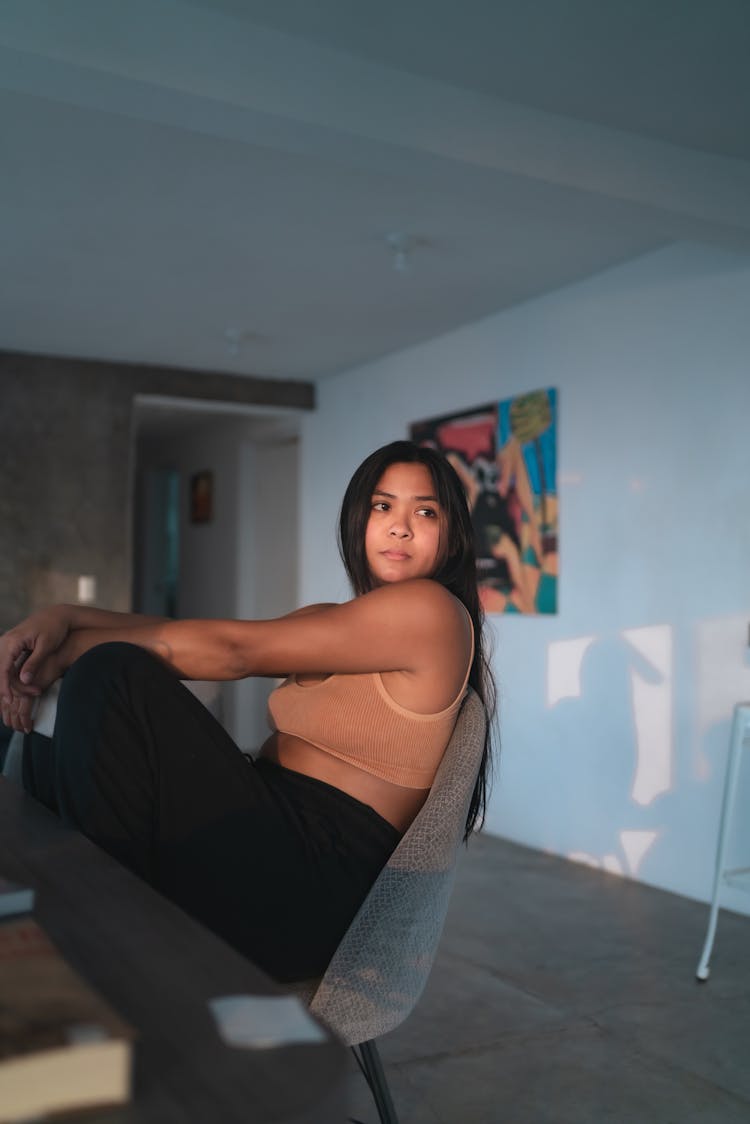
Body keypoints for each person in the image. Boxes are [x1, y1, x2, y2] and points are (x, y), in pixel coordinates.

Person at [0, 441, 495, 983]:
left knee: (106, 673)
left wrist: (68, 651)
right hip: (267, 836)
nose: (400, 526)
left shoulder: (431, 612)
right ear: (359, 518)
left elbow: (233, 652)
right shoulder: (337, 620)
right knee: (86, 681)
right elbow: (192, 635)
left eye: (425, 512)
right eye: (383, 506)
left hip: (311, 890)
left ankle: (97, 941)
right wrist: (63, 619)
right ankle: (63, 915)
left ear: (452, 536)